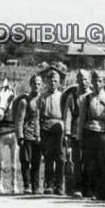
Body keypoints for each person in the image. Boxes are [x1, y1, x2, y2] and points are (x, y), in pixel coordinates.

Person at [76, 70, 105, 200]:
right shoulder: (86, 98)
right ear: (91, 82)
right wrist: (79, 136)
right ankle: (89, 191)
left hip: (104, 132)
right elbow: (81, 119)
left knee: (104, 162)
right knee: (89, 162)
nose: (97, 83)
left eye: (100, 81)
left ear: (104, 82)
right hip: (89, 131)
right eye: (94, 80)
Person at [61, 69, 89, 197]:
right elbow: (68, 116)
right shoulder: (72, 97)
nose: (83, 82)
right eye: (80, 79)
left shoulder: (91, 95)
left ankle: (89, 188)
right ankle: (77, 188)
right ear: (77, 81)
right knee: (76, 161)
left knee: (89, 161)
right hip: (75, 132)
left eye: (85, 79)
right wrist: (67, 133)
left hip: (90, 132)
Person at [13, 75, 43, 194]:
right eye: (35, 83)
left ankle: (35, 187)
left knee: (36, 161)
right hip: (26, 134)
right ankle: (27, 185)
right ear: (31, 85)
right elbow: (19, 119)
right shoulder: (24, 101)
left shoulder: (42, 99)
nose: (37, 86)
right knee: (25, 161)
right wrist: (19, 135)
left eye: (39, 84)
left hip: (38, 135)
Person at [38, 67, 65, 195]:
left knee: (60, 158)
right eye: (50, 81)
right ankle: (48, 184)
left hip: (59, 129)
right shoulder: (42, 97)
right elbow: (38, 116)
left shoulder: (62, 96)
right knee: (48, 157)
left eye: (55, 81)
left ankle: (59, 186)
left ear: (59, 82)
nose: (53, 83)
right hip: (46, 129)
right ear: (46, 82)